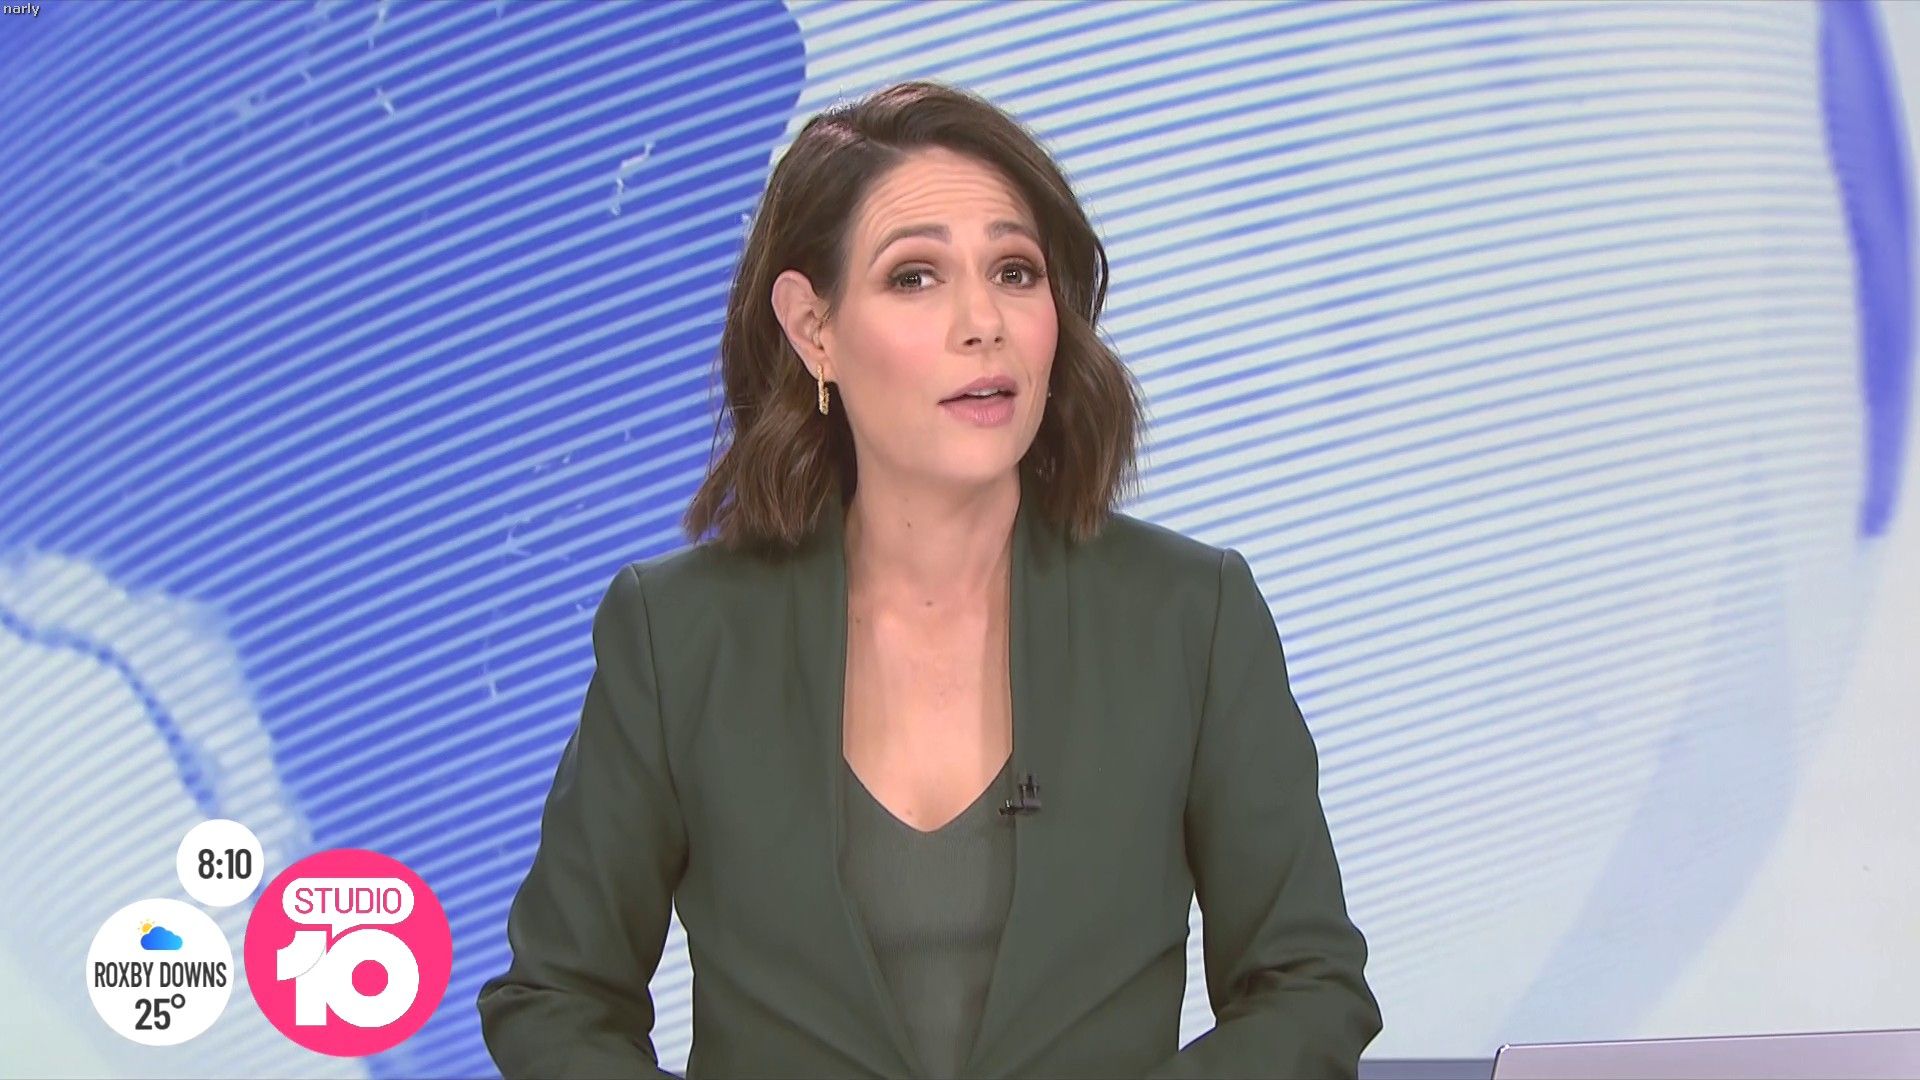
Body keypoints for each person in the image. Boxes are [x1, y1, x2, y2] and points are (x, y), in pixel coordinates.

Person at [476, 79, 1382, 1079]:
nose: (982, 321)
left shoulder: (1189, 617)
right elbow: (556, 1000)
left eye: (1015, 271)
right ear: (812, 328)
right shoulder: (680, 633)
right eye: (914, 277)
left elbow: (1309, 986)